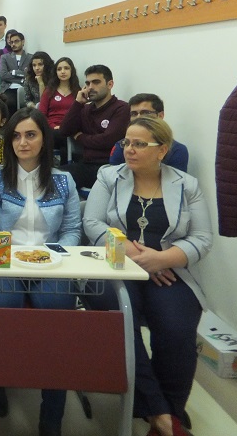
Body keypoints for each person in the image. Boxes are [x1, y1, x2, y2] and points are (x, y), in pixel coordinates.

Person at [83, 117, 212, 436]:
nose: (129, 149)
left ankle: (168, 410)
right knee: (121, 318)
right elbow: (93, 223)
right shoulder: (109, 176)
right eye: (126, 142)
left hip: (168, 270)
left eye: (139, 144)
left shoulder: (186, 185)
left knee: (177, 328)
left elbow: (202, 238)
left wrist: (161, 259)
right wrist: (136, 254)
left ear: (162, 150)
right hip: (116, 265)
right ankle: (161, 413)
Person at [0, 107, 81, 436]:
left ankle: (52, 412)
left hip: (50, 263)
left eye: (30, 135)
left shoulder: (63, 181)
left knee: (57, 322)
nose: (22, 142)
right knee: (4, 313)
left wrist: (52, 256)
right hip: (5, 261)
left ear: (44, 139)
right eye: (16, 136)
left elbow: (72, 230)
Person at [58, 64, 130, 190]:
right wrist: (77, 103)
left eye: (96, 82)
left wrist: (80, 137)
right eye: (88, 83)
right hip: (85, 164)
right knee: (53, 175)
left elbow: (107, 140)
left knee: (61, 178)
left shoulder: (121, 108)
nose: (90, 87)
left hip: (109, 167)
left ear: (110, 84)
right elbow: (64, 131)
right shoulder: (85, 108)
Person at [108, 94, 189, 172]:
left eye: (145, 113)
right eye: (134, 114)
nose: (138, 117)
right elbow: (114, 177)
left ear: (160, 116)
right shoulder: (121, 146)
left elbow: (176, 179)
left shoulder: (177, 150)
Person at [38, 57, 80, 149]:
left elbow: (81, 114)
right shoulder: (49, 91)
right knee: (60, 136)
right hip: (52, 129)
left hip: (70, 129)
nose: (63, 72)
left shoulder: (78, 92)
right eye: (59, 69)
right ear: (56, 72)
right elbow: (41, 114)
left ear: (72, 71)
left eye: (66, 68)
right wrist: (53, 126)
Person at [0, 31, 32, 116]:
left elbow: (30, 75)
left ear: (23, 41)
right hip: (9, 88)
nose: (13, 44)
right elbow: (3, 75)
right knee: (9, 103)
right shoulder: (4, 57)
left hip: (25, 88)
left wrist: (14, 72)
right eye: (11, 42)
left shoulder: (30, 57)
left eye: (16, 41)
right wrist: (22, 78)